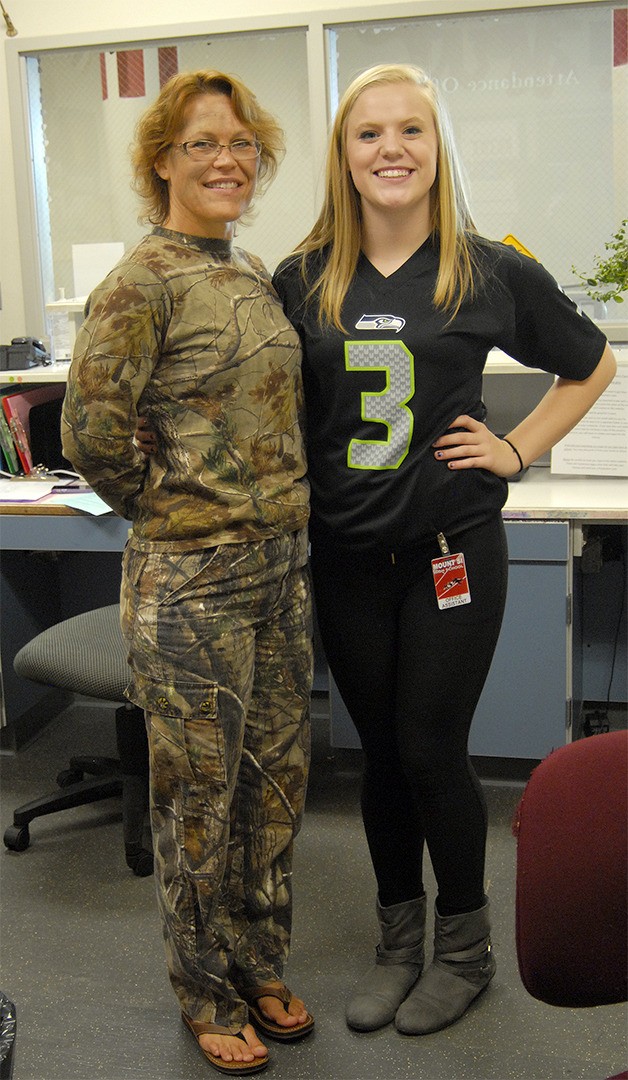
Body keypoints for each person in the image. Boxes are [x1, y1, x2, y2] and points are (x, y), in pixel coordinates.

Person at [270, 63, 617, 1037]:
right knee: (378, 756)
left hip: (447, 555)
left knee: (429, 749)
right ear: (344, 156)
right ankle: (397, 940)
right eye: (368, 132)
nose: (390, 148)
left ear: (435, 148)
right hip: (343, 562)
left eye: (410, 130)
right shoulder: (302, 277)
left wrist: (512, 449)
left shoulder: (485, 266)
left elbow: (591, 364)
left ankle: (463, 951)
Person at [61, 70, 314, 1075]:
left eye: (242, 144)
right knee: (199, 801)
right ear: (161, 160)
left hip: (281, 575)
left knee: (275, 786)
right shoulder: (142, 281)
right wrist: (168, 512)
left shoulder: (248, 269)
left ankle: (258, 961)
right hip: (193, 584)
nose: (227, 160)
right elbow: (89, 435)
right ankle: (203, 989)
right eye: (204, 144)